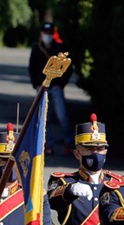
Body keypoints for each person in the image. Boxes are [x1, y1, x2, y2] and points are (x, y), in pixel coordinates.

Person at [28, 22, 73, 156]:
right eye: (45, 33)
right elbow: (32, 67)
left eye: (49, 33)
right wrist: (36, 84)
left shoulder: (59, 48)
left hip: (56, 87)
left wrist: (61, 83)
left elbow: (68, 68)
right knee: (44, 117)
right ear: (41, 34)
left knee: (62, 116)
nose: (47, 36)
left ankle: (69, 142)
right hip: (42, 87)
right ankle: (48, 144)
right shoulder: (37, 48)